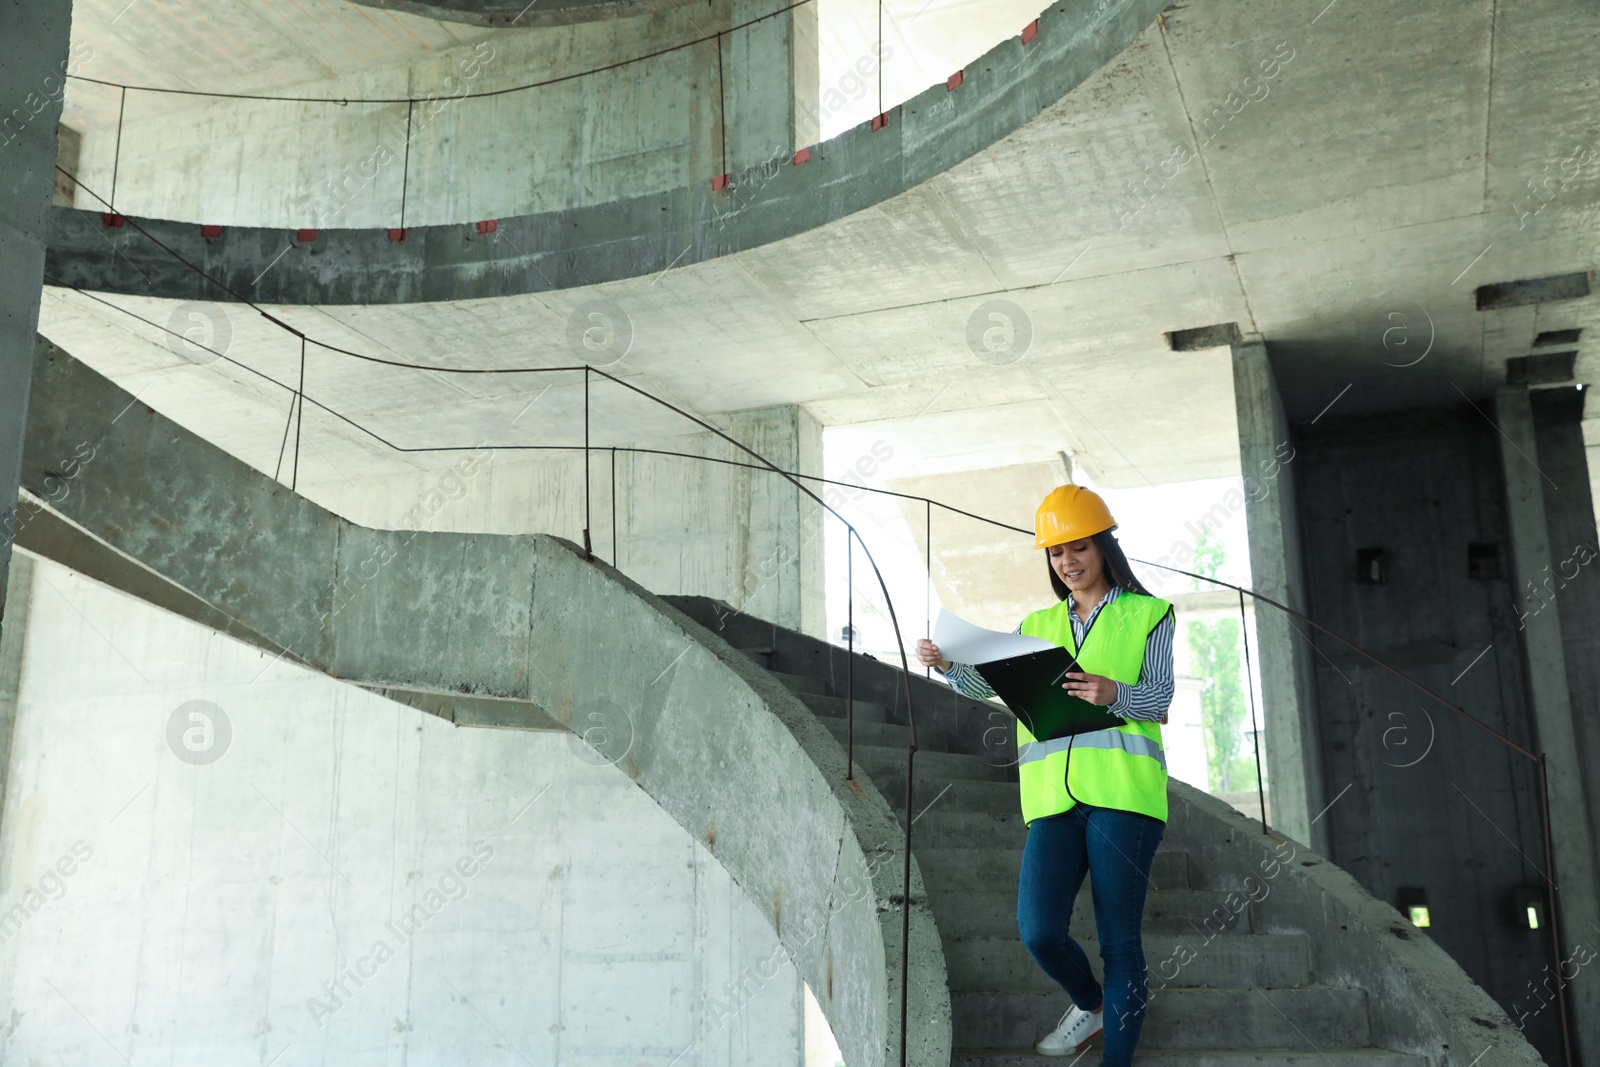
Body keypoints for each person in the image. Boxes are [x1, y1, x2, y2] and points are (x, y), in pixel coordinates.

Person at [916, 484, 1175, 1064]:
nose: (1068, 562)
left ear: (1104, 546)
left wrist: (1116, 693)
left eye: (1078, 548)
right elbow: (998, 689)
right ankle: (1091, 1004)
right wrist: (950, 666)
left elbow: (1159, 698)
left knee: (1120, 945)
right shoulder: (1035, 621)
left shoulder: (1148, 613)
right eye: (1057, 554)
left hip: (1124, 799)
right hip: (1052, 802)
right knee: (1038, 931)